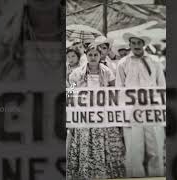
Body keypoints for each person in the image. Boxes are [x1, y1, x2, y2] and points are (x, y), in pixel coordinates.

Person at [67, 44, 125, 179]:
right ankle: (86, 172)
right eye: (90, 55)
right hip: (85, 114)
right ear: (86, 56)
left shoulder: (107, 72)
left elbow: (114, 92)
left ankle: (104, 172)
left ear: (100, 56)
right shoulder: (76, 74)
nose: (93, 58)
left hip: (102, 114)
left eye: (95, 55)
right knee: (85, 141)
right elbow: (71, 91)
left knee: (105, 143)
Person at [116, 32, 166, 177]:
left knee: (155, 146)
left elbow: (162, 85)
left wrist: (160, 106)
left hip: (152, 108)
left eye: (139, 43)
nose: (137, 46)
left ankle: (157, 176)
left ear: (143, 44)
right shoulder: (123, 63)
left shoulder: (154, 61)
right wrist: (123, 111)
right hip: (132, 109)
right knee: (133, 149)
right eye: (134, 43)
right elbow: (119, 89)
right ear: (129, 45)